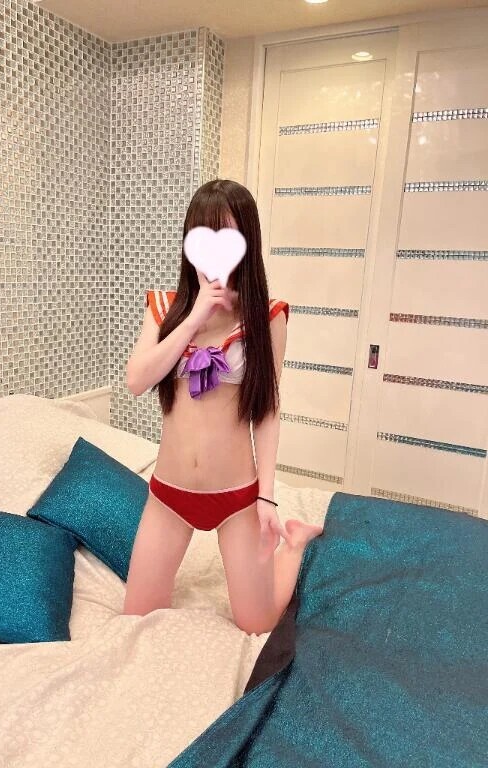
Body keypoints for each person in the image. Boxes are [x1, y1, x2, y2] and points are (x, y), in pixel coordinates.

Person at [124, 179, 323, 635]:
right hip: (169, 494)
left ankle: (294, 544)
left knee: (257, 623)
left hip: (237, 497)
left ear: (246, 242)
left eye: (226, 235)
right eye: (203, 235)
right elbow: (137, 381)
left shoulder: (266, 317)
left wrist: (266, 495)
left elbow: (267, 410)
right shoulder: (164, 308)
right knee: (136, 618)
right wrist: (195, 315)